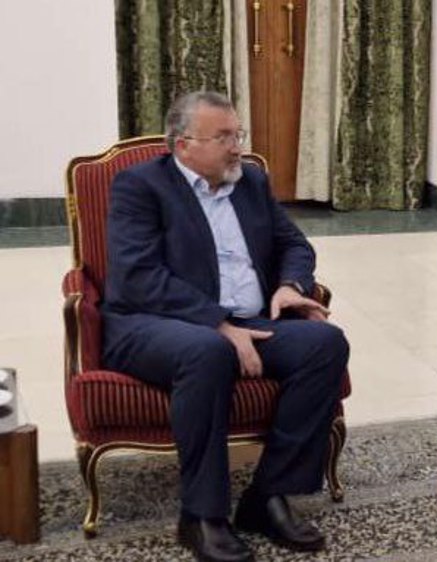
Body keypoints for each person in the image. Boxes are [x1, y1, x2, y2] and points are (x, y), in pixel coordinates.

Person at [102, 91, 349, 561]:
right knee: (206, 351)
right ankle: (201, 516)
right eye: (224, 137)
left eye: (238, 134)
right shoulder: (139, 186)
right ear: (184, 146)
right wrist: (217, 323)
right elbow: (138, 276)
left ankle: (267, 497)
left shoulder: (250, 180)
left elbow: (293, 243)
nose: (237, 146)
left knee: (325, 343)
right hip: (152, 323)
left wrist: (291, 285)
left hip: (250, 318)